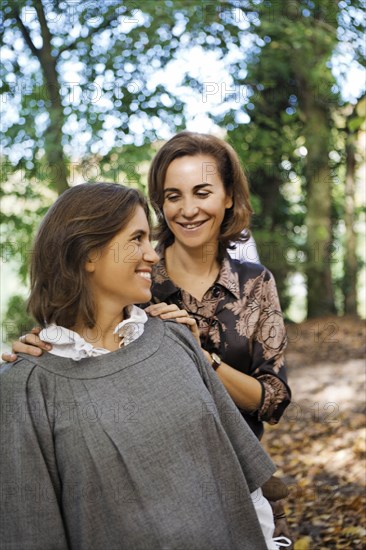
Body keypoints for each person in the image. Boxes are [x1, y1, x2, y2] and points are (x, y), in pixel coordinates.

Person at [1, 182, 290, 550]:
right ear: (88, 253)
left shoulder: (176, 338)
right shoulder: (26, 386)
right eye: (136, 239)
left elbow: (242, 477)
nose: (152, 255)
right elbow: (30, 527)